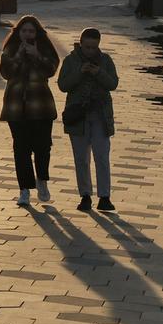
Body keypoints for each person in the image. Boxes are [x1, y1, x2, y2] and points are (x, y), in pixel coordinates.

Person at [0, 15, 59, 207]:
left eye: (31, 31)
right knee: (21, 148)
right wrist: (18, 56)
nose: (27, 34)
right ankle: (24, 189)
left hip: (40, 105)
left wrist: (36, 55)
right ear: (18, 33)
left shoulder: (45, 48)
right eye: (24, 31)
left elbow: (51, 69)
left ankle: (42, 179)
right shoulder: (10, 48)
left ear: (37, 33)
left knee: (42, 146)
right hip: (16, 106)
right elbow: (5, 72)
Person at [57, 27, 119, 211]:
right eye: (87, 47)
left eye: (94, 47)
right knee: (81, 158)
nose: (90, 51)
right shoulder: (70, 60)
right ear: (81, 43)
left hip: (100, 115)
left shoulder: (106, 60)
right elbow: (63, 85)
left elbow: (113, 83)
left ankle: (104, 196)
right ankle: (85, 195)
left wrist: (98, 72)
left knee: (101, 155)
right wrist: (80, 72)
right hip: (78, 116)